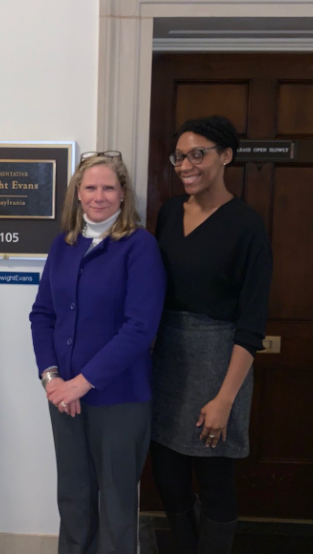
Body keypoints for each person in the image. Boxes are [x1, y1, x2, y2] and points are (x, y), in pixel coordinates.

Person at [29, 152, 166, 554]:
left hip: (119, 398)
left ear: (123, 194)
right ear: (77, 193)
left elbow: (140, 328)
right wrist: (52, 378)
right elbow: (43, 314)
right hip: (64, 397)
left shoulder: (140, 246)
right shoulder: (64, 244)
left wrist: (81, 384)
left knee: (117, 502)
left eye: (109, 187)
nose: (99, 196)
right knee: (73, 497)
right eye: (90, 187)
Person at [150, 116, 273, 554]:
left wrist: (225, 400)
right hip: (167, 360)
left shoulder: (247, 225)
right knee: (167, 476)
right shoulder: (166, 213)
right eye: (180, 156)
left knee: (216, 480)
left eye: (197, 154)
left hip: (220, 364)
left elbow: (252, 325)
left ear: (225, 156)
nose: (186, 165)